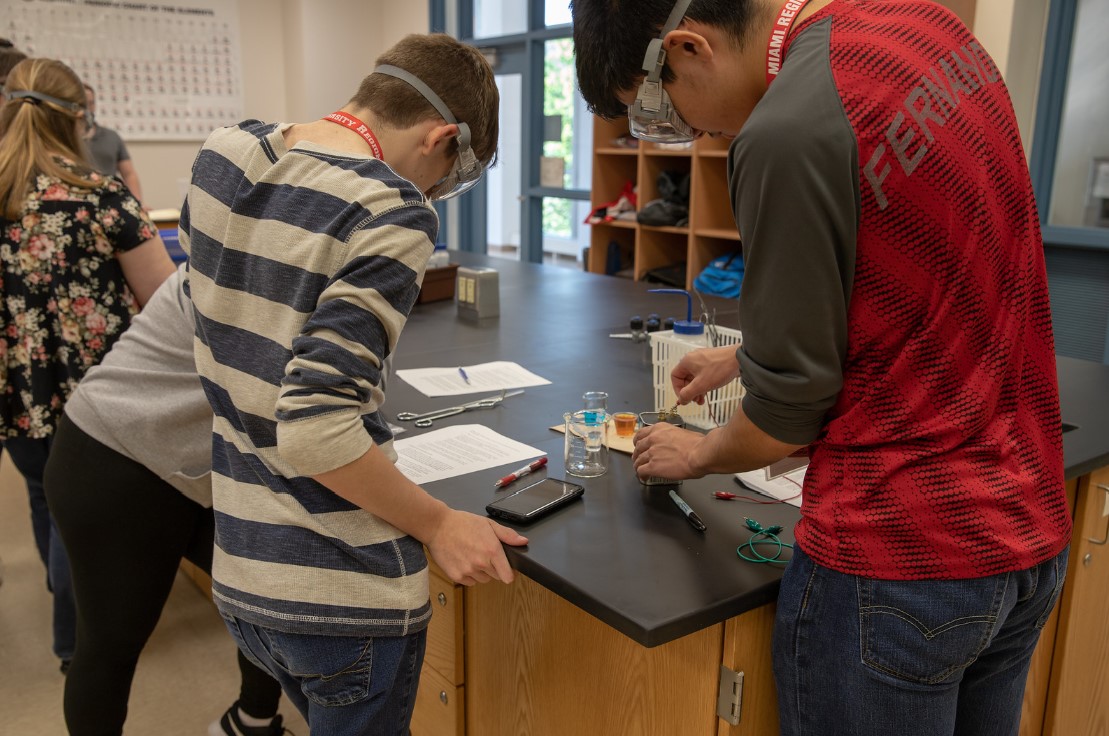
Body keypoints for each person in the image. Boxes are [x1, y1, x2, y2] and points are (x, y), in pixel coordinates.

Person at [572, 1, 1072, 735]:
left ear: (687, 46)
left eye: (658, 103)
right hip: (1023, 531)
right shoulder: (925, 28)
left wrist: (697, 452)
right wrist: (751, 354)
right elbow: (929, 284)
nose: (686, 129)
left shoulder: (784, 131)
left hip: (898, 564)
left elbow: (783, 417)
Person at [181, 33, 528, 734]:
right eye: (451, 176)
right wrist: (439, 523)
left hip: (244, 573)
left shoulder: (224, 155)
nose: (434, 192)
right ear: (442, 137)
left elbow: (235, 337)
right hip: (341, 593)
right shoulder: (390, 210)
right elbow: (316, 429)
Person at [42, 263, 290, 736]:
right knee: (111, 645)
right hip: (110, 454)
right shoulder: (244, 257)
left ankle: (249, 722)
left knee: (267, 594)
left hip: (185, 465)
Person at [0, 57, 175, 673]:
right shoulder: (101, 198)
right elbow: (165, 300)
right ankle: (78, 644)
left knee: (44, 499)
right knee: (86, 523)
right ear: (79, 120)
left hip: (15, 393)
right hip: (95, 398)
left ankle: (70, 616)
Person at [81, 83, 145, 205]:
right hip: (80, 202)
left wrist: (137, 203)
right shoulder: (64, 140)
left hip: (109, 201)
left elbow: (129, 173)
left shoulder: (111, 137)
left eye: (91, 103)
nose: (88, 108)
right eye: (84, 103)